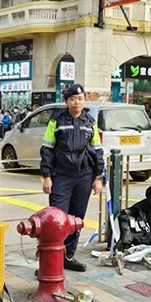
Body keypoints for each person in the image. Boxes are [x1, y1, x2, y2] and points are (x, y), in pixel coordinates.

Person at [39, 83, 105, 272]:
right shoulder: (57, 120)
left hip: (84, 175)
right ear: (66, 101)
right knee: (57, 218)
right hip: (61, 176)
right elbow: (47, 149)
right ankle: (52, 257)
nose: (77, 102)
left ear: (84, 100)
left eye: (80, 98)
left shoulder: (90, 122)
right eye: (73, 99)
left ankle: (69, 255)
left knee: (77, 217)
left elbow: (98, 151)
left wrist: (98, 176)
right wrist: (47, 176)